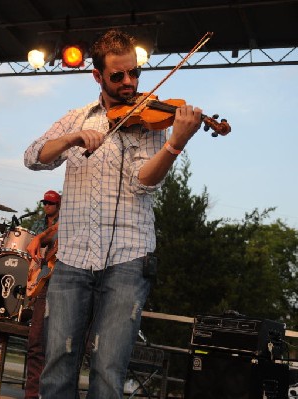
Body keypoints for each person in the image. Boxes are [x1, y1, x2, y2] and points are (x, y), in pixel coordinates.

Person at [23, 29, 203, 399]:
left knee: (108, 370)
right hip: (72, 258)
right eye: (118, 75)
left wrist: (174, 144)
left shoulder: (152, 118)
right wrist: (73, 138)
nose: (129, 82)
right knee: (57, 365)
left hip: (129, 257)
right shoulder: (77, 118)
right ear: (98, 76)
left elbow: (144, 182)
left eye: (134, 73)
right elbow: (33, 156)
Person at [24, 190, 60, 399]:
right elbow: (32, 247)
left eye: (50, 203)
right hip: (44, 278)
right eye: (44, 202)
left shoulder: (68, 219)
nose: (46, 205)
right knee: (36, 340)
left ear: (58, 205)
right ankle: (32, 394)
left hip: (63, 280)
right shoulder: (39, 224)